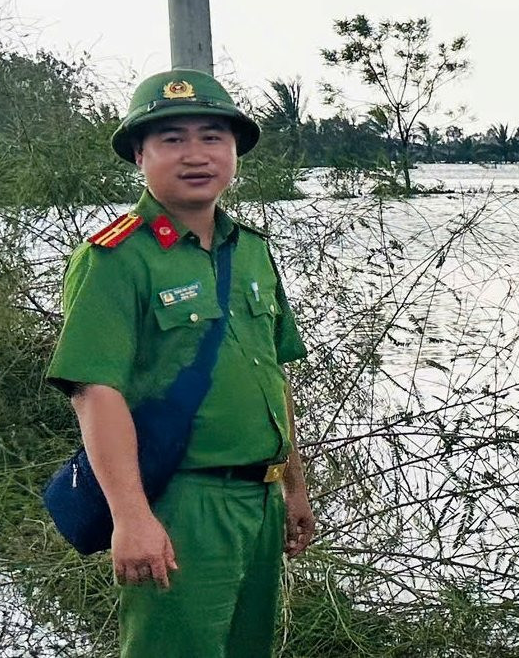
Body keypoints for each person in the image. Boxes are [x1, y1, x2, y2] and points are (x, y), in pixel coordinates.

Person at [46, 69, 314, 657]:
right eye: (172, 139)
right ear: (139, 154)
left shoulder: (252, 251)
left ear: (234, 151)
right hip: (182, 501)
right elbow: (95, 392)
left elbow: (273, 374)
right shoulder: (117, 258)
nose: (196, 154)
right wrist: (132, 517)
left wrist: (293, 484)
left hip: (260, 498)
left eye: (212, 136)